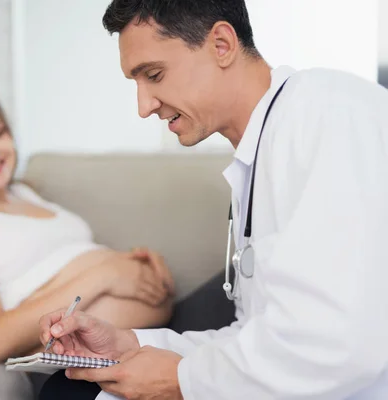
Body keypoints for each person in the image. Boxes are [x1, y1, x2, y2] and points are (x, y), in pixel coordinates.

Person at [38, 0, 388, 399]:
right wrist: (135, 346)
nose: (144, 106)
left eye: (154, 75)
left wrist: (181, 381)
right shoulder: (263, 150)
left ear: (221, 44)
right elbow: (260, 340)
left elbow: (340, 347)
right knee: (71, 388)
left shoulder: (328, 118)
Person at [0, 81, 176, 365]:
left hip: (160, 338)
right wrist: (107, 274)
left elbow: (66, 261)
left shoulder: (24, 192)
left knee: (230, 277)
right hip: (99, 368)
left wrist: (134, 265)